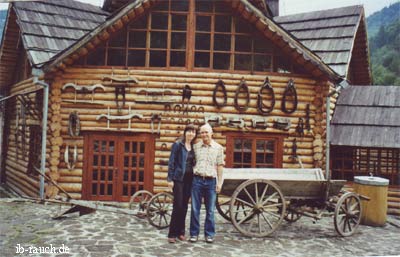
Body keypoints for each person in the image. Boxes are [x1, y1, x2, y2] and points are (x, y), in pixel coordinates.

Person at [189, 123, 224, 243]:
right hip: (197, 180)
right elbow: (191, 163)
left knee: (210, 210)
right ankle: (194, 234)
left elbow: (220, 166)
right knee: (194, 209)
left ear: (211, 133)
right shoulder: (196, 147)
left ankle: (209, 234)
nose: (204, 135)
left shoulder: (218, 148)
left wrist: (219, 183)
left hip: (211, 182)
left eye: (206, 132)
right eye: (202, 132)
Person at [167, 124, 198, 243]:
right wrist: (170, 179)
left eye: (193, 132)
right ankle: (172, 233)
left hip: (189, 180)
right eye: (189, 131)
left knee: (184, 206)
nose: (191, 134)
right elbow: (171, 162)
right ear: (185, 132)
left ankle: (181, 232)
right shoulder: (178, 145)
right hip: (178, 179)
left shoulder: (194, 147)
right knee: (178, 206)